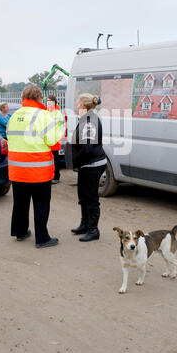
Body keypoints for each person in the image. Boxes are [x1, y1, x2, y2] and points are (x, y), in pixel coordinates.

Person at [7, 85, 64, 248]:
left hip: (17, 170)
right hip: (38, 170)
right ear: (39, 97)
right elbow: (52, 141)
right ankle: (42, 238)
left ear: (23, 97)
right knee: (41, 204)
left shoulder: (15, 115)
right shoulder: (44, 115)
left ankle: (20, 232)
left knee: (20, 203)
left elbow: (10, 139)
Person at [71, 93, 107, 242]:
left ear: (84, 106)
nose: (76, 106)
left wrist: (76, 159)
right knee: (83, 196)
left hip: (91, 164)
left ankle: (94, 230)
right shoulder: (87, 118)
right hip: (86, 164)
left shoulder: (89, 120)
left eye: (78, 103)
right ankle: (85, 224)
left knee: (91, 198)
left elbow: (87, 147)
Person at [46, 95, 65, 184]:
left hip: (54, 140)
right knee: (48, 159)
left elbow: (61, 125)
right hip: (46, 140)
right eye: (47, 101)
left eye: (50, 101)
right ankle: (49, 175)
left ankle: (56, 176)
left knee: (55, 159)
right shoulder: (46, 112)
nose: (48, 102)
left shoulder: (58, 113)